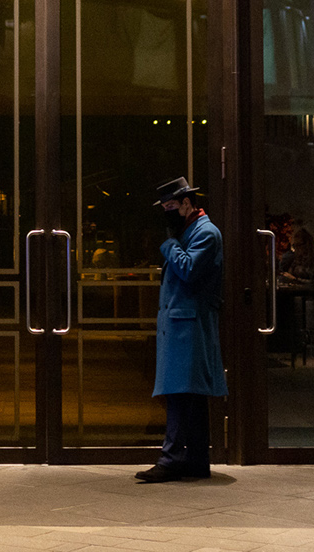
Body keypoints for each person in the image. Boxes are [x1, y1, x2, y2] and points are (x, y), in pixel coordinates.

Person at [136, 176, 227, 483]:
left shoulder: (205, 233)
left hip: (189, 326)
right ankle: (197, 460)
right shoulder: (194, 230)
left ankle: (173, 458)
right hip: (184, 324)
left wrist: (170, 245)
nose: (168, 212)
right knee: (190, 396)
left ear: (188, 203)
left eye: (171, 206)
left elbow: (188, 269)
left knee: (179, 394)